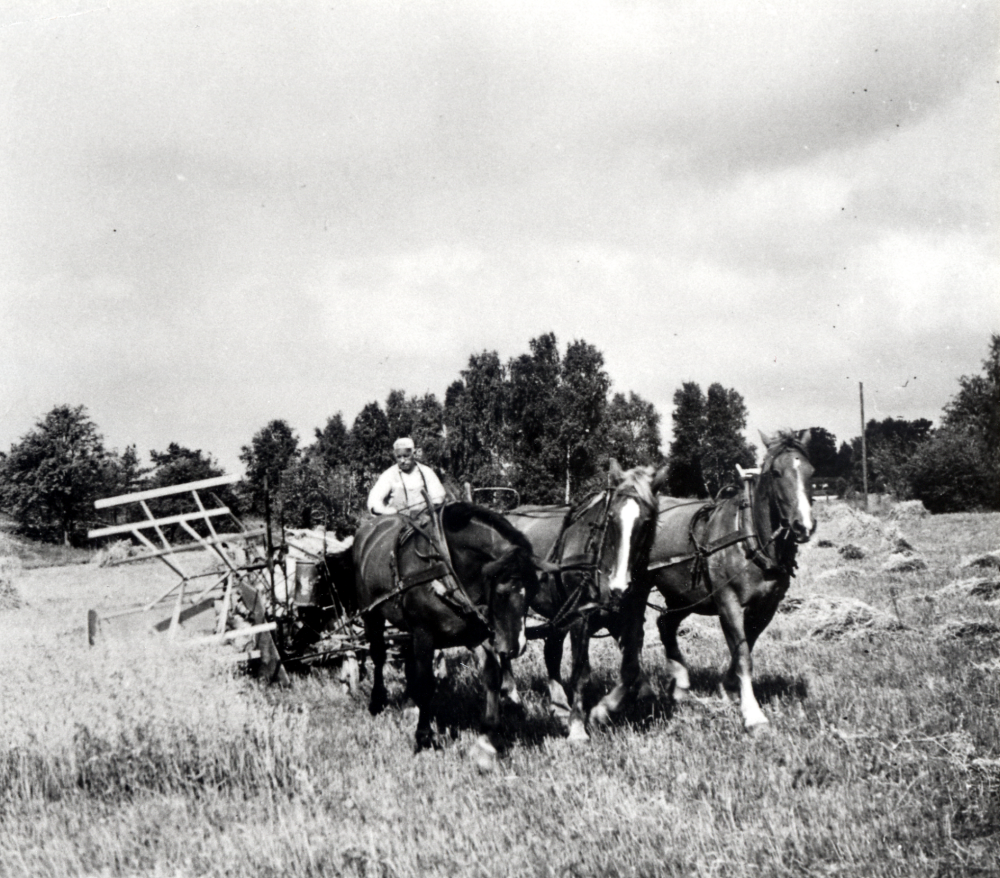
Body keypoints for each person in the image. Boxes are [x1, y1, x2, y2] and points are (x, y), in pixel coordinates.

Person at [367, 437, 447, 516]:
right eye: (399, 457)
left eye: (406, 456)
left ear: (413, 454)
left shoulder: (426, 472)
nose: (402, 461)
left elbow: (439, 496)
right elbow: (374, 500)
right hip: (399, 522)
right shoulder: (389, 475)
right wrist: (386, 511)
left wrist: (433, 507)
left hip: (425, 520)